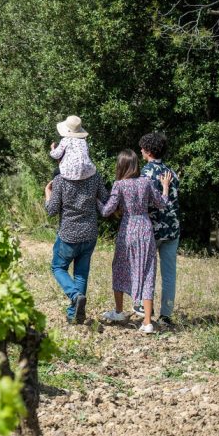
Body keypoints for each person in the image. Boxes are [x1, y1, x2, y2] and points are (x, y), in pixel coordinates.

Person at [100, 149, 172, 334]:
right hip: (146, 229)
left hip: (128, 230)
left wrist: (95, 200)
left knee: (120, 266)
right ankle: (147, 322)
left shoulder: (119, 185)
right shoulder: (146, 182)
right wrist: (165, 187)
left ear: (121, 165)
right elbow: (162, 204)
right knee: (148, 271)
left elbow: (107, 211)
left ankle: (118, 311)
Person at [44, 154, 109, 324]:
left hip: (69, 234)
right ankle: (75, 315)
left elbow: (51, 211)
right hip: (90, 233)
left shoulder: (60, 179)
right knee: (81, 273)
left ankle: (75, 295)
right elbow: (106, 198)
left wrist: (47, 193)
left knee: (58, 267)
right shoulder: (94, 177)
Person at [138, 132, 180, 327]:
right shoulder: (172, 172)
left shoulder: (145, 173)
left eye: (142, 148)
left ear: (147, 151)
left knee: (147, 271)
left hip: (152, 229)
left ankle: (145, 307)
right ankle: (166, 314)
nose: (140, 151)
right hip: (172, 228)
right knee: (169, 273)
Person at [50, 115, 97, 181]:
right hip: (87, 170)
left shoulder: (65, 140)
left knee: (56, 172)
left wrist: (52, 148)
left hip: (69, 171)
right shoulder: (84, 142)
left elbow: (56, 155)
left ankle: (54, 190)